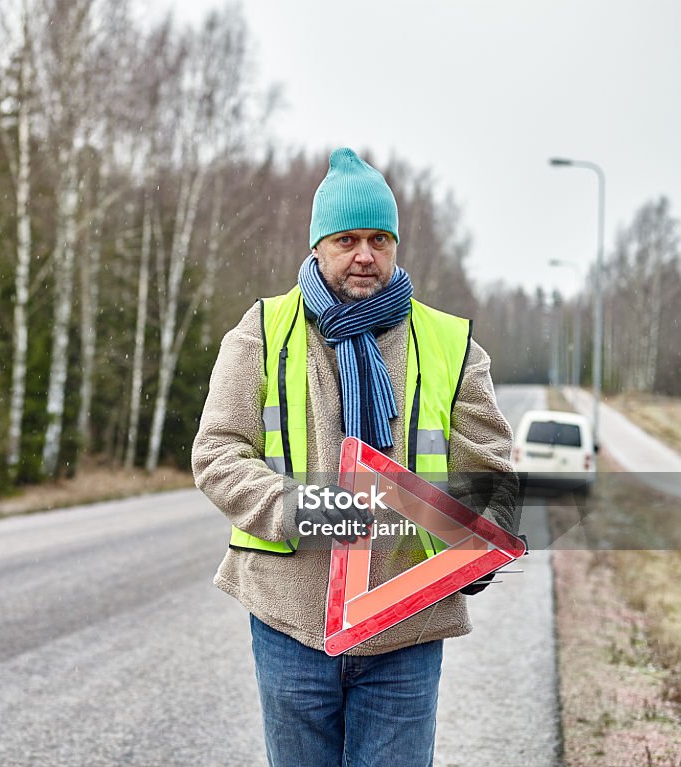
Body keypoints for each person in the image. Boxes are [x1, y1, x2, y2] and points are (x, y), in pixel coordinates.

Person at [191, 147, 519, 767]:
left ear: (395, 246)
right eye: (346, 239)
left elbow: (490, 469)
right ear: (318, 246)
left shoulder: (451, 342)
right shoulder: (262, 331)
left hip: (407, 620)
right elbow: (217, 451)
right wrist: (296, 507)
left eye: (379, 239)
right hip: (290, 616)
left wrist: (478, 539)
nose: (365, 254)